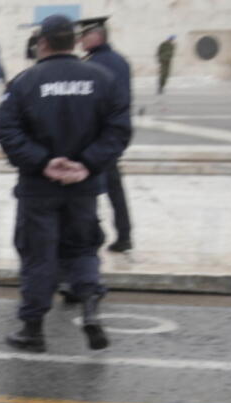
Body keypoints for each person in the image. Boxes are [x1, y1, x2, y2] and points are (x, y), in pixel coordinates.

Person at [0, 13, 131, 353]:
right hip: (83, 185)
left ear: (42, 43)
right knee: (83, 247)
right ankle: (89, 310)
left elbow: (7, 131)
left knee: (39, 255)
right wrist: (86, 164)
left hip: (39, 187)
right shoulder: (103, 79)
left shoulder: (25, 82)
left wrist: (44, 162)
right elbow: (118, 131)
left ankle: (33, 329)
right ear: (73, 41)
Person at [79, 17, 133, 252]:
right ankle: (124, 234)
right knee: (115, 188)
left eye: (84, 35)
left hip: (96, 137)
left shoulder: (92, 64)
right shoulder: (121, 61)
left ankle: (96, 234)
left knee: (87, 188)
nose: (81, 40)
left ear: (96, 37)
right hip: (115, 135)